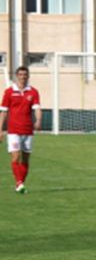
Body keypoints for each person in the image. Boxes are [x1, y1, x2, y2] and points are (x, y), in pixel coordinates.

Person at [0, 66, 42, 194]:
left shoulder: (33, 92)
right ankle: (19, 183)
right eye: (20, 74)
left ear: (28, 76)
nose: (23, 76)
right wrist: (0, 129)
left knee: (25, 159)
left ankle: (20, 183)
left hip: (28, 130)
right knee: (15, 156)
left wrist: (39, 120)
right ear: (16, 76)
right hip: (13, 130)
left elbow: (37, 108)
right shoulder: (9, 92)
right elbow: (4, 112)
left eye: (25, 74)